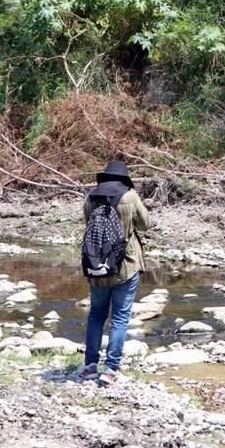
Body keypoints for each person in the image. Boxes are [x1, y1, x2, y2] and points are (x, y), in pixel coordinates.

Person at [81, 160, 149, 383]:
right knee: (120, 317)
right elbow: (145, 225)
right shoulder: (130, 196)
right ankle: (111, 369)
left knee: (96, 315)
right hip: (126, 264)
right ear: (123, 178)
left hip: (97, 265)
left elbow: (87, 223)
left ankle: (90, 366)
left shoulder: (91, 196)